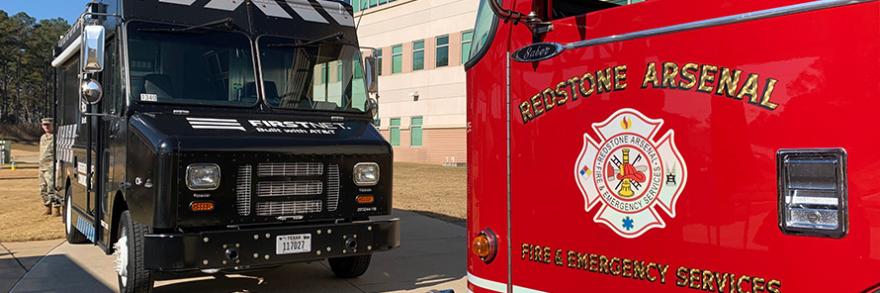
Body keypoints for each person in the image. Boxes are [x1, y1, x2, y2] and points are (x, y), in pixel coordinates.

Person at [39, 118, 59, 216]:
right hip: (42, 166)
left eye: (48, 124)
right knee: (43, 188)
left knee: (52, 187)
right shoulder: (43, 137)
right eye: (44, 125)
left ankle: (56, 208)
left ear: (52, 125)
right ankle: (47, 207)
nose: (46, 126)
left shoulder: (56, 137)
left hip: (51, 167)